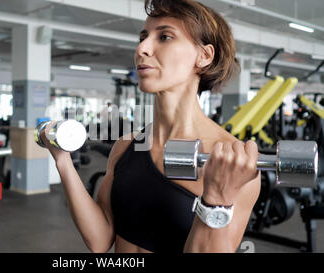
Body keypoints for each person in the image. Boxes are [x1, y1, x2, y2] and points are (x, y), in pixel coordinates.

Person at [40, 0, 260, 253]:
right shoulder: (126, 146)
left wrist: (217, 201)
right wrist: (63, 160)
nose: (142, 48)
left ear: (204, 56)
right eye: (143, 37)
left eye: (165, 37)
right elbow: (100, 241)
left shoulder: (232, 162)